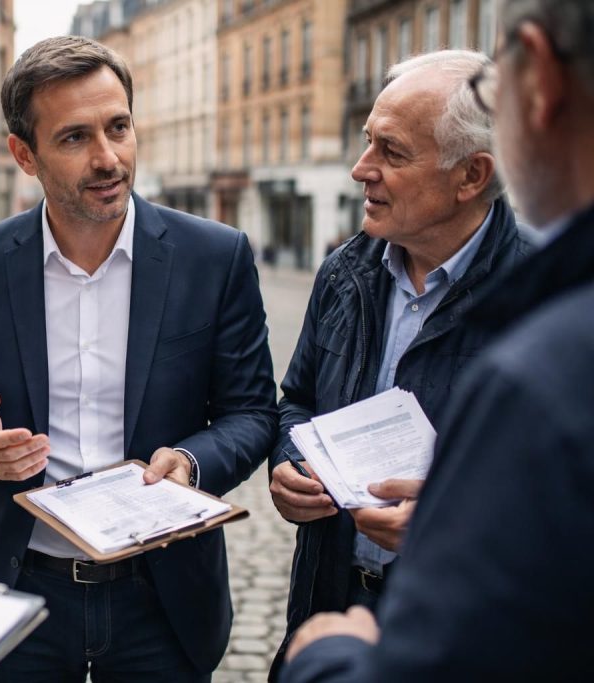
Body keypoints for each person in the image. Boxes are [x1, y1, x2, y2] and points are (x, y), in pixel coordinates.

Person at [0, 36, 278, 681]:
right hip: (17, 591)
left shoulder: (214, 257)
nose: (108, 158)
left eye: (119, 127)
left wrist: (191, 463)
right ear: (25, 154)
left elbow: (252, 413)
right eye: (75, 138)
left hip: (161, 599)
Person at [280, 1, 594, 680]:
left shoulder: (540, 312)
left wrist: (445, 520)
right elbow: (296, 399)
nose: (361, 168)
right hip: (329, 590)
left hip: (433, 625)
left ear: (471, 177)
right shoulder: (345, 270)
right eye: (367, 140)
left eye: (390, 152)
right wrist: (290, 460)